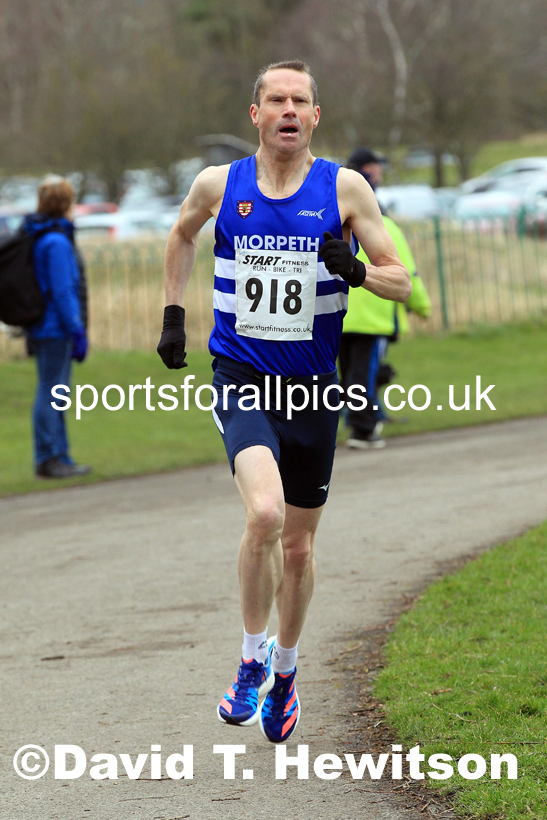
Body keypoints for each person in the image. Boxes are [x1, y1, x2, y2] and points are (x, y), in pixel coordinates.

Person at [157, 60, 411, 743]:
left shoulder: (345, 188)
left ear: (315, 116)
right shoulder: (220, 185)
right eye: (277, 99)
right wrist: (173, 314)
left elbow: (401, 283)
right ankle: (251, 657)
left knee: (297, 549)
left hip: (312, 389)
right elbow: (180, 234)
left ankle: (288, 674)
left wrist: (355, 269)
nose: (289, 109)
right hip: (243, 376)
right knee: (264, 514)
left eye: (301, 100)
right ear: (256, 114)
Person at [340, 148, 431, 448]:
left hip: (339, 317)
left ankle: (358, 420)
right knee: (363, 376)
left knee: (348, 376)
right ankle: (364, 428)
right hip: (373, 319)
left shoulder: (334, 225)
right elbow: (407, 275)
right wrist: (422, 307)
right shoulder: (387, 227)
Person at [24, 175, 91, 479]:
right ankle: (49, 456)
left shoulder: (42, 237)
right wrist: (76, 329)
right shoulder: (57, 242)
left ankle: (58, 454)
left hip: (43, 327)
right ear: (65, 203)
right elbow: (63, 291)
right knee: (52, 391)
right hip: (54, 329)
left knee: (55, 391)